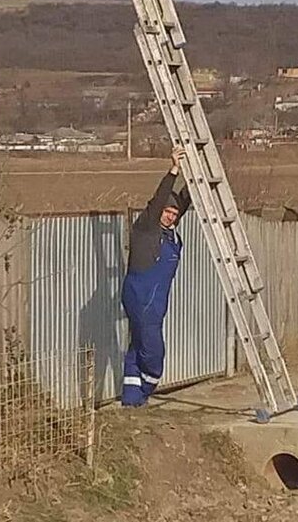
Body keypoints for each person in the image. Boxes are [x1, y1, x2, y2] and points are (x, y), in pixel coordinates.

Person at [121, 147, 190, 407]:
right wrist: (173, 170)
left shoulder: (171, 234)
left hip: (156, 302)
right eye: (167, 212)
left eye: (174, 214)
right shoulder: (147, 227)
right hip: (140, 296)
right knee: (153, 353)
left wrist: (195, 171)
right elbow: (160, 199)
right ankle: (146, 391)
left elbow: (184, 200)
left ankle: (131, 401)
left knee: (137, 347)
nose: (170, 216)